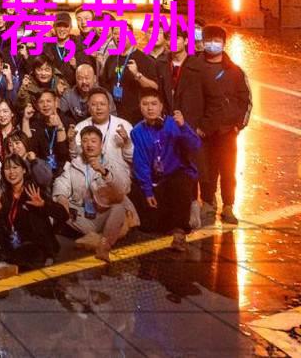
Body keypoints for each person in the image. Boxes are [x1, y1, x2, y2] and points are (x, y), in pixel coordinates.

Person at [174, 25, 251, 225]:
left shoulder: (234, 71)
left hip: (226, 131)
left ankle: (228, 205)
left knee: (227, 170)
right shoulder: (192, 67)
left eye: (217, 41)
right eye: (209, 40)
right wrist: (192, 127)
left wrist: (238, 125)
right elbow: (183, 96)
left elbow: (245, 100)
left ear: (224, 44)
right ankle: (208, 202)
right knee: (204, 169)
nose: (212, 44)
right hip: (200, 131)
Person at [0, 156, 68, 279]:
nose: (11, 172)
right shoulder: (3, 196)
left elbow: (63, 215)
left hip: (33, 245)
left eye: (15, 167)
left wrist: (43, 205)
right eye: (7, 169)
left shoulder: (33, 191)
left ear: (24, 170)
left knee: (28, 253)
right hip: (11, 244)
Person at [130, 91, 202, 250]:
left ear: (161, 106)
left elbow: (195, 145)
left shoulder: (173, 123)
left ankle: (179, 234)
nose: (150, 108)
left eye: (154, 104)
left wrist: (183, 127)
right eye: (145, 104)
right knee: (149, 225)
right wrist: (148, 191)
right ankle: (188, 213)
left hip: (177, 174)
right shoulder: (137, 131)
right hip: (156, 179)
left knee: (179, 184)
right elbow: (141, 163)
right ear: (140, 107)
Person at [53, 125, 137, 262]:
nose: (89, 145)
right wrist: (62, 198)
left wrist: (105, 173)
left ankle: (103, 245)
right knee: (54, 207)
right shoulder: (75, 163)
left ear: (101, 145)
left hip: (104, 215)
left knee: (119, 207)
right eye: (85, 141)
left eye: (93, 141)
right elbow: (61, 182)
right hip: (83, 215)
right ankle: (96, 238)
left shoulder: (111, 164)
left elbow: (123, 189)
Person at [100, 28, 161, 125]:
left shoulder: (146, 60)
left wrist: (137, 75)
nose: (119, 36)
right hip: (114, 114)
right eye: (115, 33)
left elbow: (154, 87)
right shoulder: (111, 59)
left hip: (137, 116)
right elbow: (104, 85)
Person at [70, 87, 134, 163]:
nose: (99, 108)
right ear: (89, 108)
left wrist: (127, 141)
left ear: (109, 106)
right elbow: (75, 158)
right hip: (89, 169)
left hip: (118, 169)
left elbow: (132, 158)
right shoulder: (80, 127)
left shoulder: (124, 125)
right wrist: (72, 141)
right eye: (94, 104)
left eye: (102, 104)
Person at [21, 90, 70, 175]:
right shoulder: (35, 124)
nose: (45, 105)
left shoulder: (67, 121)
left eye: (48, 101)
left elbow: (63, 154)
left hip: (64, 170)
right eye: (41, 102)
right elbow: (29, 149)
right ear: (37, 106)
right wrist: (25, 120)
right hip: (41, 170)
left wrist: (59, 126)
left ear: (56, 102)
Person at [58, 64, 114, 129]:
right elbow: (60, 115)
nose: (84, 82)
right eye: (80, 78)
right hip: (78, 128)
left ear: (95, 79)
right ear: (75, 79)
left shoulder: (104, 95)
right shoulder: (68, 95)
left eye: (87, 78)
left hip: (101, 128)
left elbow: (113, 118)